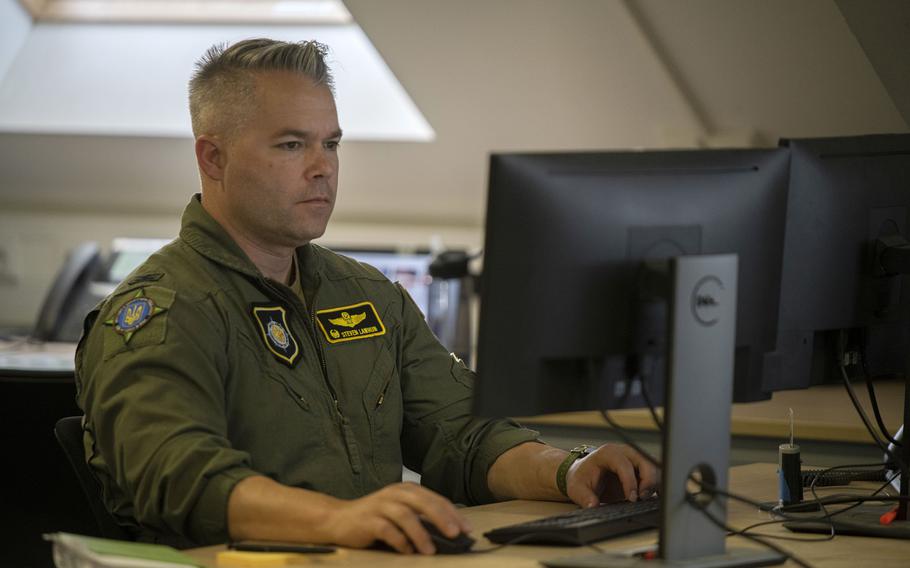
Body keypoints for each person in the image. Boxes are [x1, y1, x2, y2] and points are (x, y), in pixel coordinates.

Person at [75, 38, 658, 555]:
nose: (322, 168)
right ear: (213, 158)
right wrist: (340, 520)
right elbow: (183, 482)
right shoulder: (163, 313)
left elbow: (462, 432)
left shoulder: (366, 295)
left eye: (330, 143)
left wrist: (568, 471)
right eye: (291, 145)